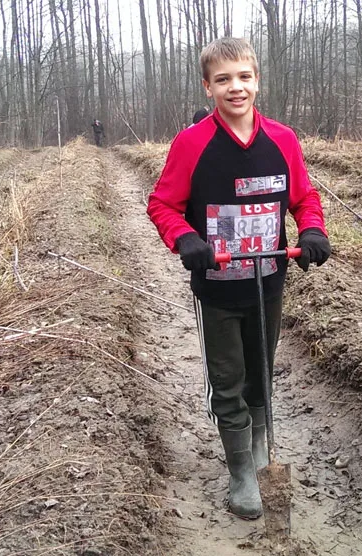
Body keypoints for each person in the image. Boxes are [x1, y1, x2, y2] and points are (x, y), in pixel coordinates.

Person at [147, 37, 330, 520]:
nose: (236, 88)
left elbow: (304, 199)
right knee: (228, 378)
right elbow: (162, 205)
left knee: (261, 373)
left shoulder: (283, 141)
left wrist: (312, 230)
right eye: (223, 79)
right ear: (208, 87)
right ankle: (241, 468)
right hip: (218, 288)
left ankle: (261, 445)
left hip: (268, 281)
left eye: (244, 77)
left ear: (257, 81)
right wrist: (186, 240)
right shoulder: (192, 144)